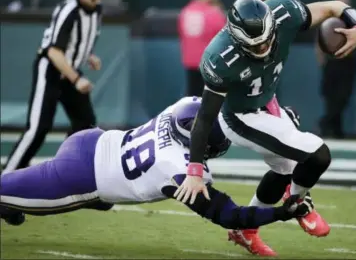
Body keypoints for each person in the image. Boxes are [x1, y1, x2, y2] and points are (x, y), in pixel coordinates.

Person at [174, 0, 356, 256]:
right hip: (241, 117)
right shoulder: (220, 57)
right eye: (253, 47)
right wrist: (194, 170)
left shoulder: (284, 13)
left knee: (283, 171)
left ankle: (245, 229)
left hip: (268, 103)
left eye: (266, 41)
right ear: (237, 39)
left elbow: (334, 7)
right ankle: (298, 201)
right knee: (318, 155)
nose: (262, 49)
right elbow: (205, 117)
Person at [0, 97, 310, 232]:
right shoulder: (175, 168)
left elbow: (227, 111)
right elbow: (229, 215)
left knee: (105, 202)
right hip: (81, 177)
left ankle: (13, 203)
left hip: (93, 141)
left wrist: (276, 118)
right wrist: (281, 213)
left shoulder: (186, 106)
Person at [2, 0, 105, 174]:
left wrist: (89, 56)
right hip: (51, 69)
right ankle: (7, 179)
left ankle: (68, 170)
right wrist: (77, 79)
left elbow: (80, 41)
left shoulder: (96, 10)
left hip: (71, 71)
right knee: (38, 128)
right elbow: (54, 52)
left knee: (86, 124)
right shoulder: (69, 10)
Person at [317, 0, 356, 138]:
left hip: (348, 62)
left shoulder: (355, 18)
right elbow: (320, 40)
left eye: (345, 1)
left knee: (344, 96)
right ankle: (334, 128)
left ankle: (327, 124)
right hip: (332, 62)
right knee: (330, 95)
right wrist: (321, 59)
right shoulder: (328, 18)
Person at [178, 0, 226, 97]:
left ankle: (190, 112)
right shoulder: (213, 12)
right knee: (208, 93)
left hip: (189, 60)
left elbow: (181, 33)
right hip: (208, 60)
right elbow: (223, 34)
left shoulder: (185, 12)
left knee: (192, 91)